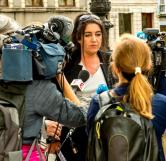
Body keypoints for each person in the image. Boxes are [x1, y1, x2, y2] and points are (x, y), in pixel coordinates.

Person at [0, 14, 87, 161]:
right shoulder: (37, 89)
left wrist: (42, 125)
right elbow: (81, 116)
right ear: (15, 44)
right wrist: (59, 75)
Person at [87, 34, 166, 161]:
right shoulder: (162, 105)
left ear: (115, 68)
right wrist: (161, 74)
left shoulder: (99, 102)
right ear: (149, 66)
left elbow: (91, 136)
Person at [45, 13, 116, 161]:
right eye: (88, 35)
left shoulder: (110, 62)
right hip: (71, 135)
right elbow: (52, 98)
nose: (94, 40)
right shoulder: (66, 63)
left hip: (103, 133)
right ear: (78, 38)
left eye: (98, 34)